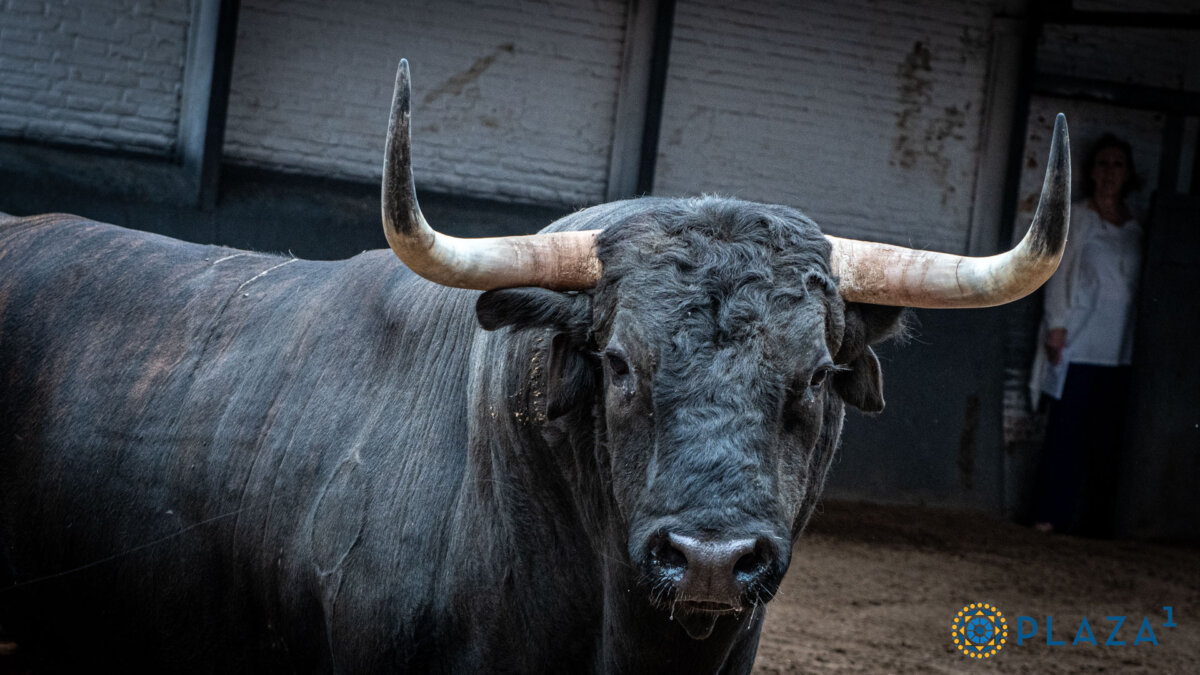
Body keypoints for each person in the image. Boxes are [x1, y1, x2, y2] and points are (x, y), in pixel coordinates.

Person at [1029, 133, 1143, 536]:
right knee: (1066, 432)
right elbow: (1057, 273)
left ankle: (1094, 524)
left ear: (1128, 174)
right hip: (1078, 342)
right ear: (1091, 171)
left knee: (1106, 437)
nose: (1109, 172)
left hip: (1122, 348)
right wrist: (1056, 325)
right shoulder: (1077, 217)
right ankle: (1050, 515)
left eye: (1118, 164)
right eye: (1102, 163)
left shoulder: (1137, 225)